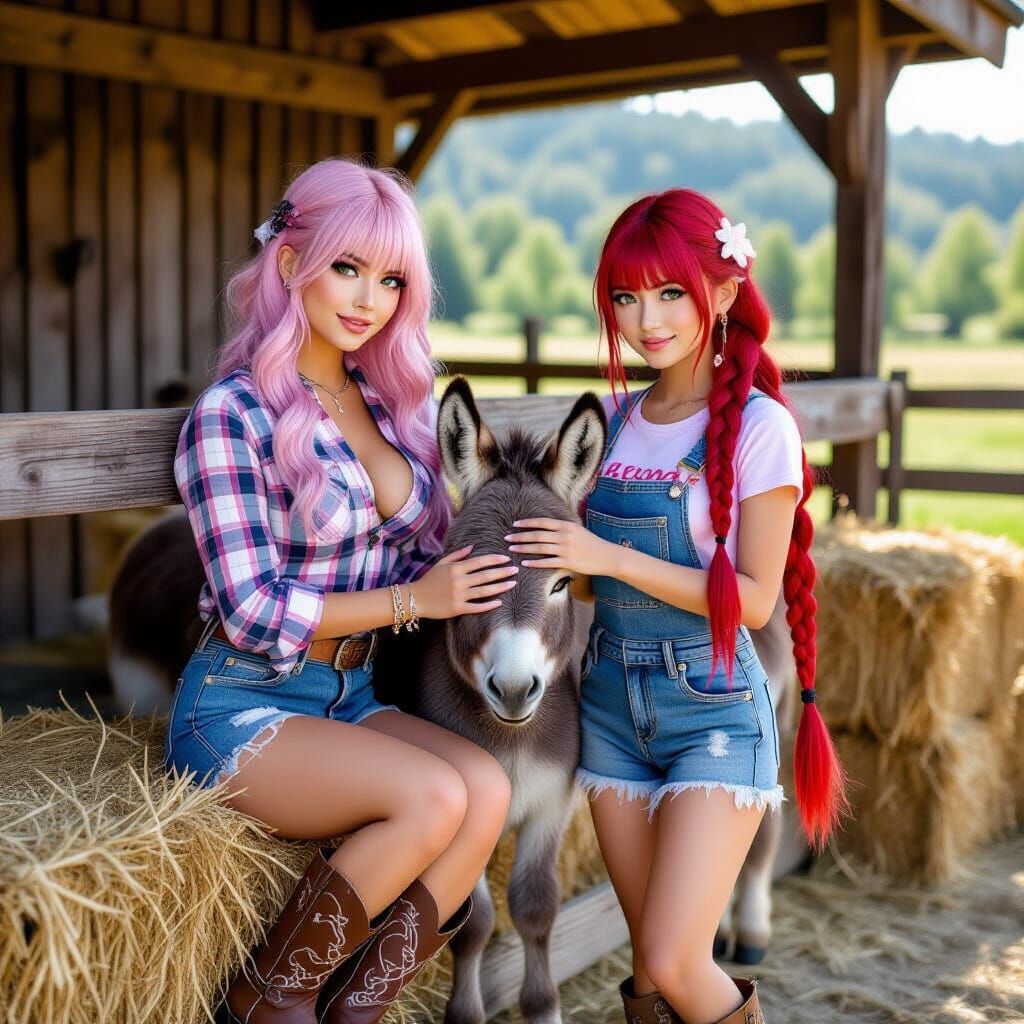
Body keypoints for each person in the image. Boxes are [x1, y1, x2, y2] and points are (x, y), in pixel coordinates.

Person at [164, 158, 516, 1024]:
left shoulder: (395, 407)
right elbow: (251, 607)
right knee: (432, 796)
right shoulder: (232, 415)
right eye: (347, 268)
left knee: (489, 790)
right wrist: (417, 604)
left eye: (391, 278)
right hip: (245, 702)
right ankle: (269, 999)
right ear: (290, 265)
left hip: (350, 692)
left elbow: (424, 554)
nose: (369, 298)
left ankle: (356, 1009)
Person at [505, 189, 848, 1024]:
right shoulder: (615, 422)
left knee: (673, 955)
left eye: (669, 293)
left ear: (724, 293)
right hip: (613, 703)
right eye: (625, 297)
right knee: (650, 976)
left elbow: (758, 597)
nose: (645, 319)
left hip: (714, 710)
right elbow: (586, 581)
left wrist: (603, 554)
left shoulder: (760, 428)